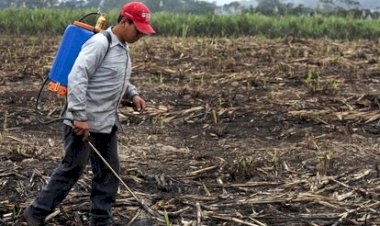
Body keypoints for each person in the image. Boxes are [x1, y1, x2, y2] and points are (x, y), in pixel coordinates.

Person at [23, 2, 155, 225]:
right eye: (138, 29)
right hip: (82, 120)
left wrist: (133, 94)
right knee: (72, 169)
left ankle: (101, 221)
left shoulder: (123, 47)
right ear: (124, 21)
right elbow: (77, 76)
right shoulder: (99, 43)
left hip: (105, 121)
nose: (140, 35)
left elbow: (117, 76)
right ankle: (35, 214)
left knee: (109, 171)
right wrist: (79, 116)